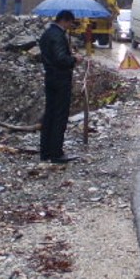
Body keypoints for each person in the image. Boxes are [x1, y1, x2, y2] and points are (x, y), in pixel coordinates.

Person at [39, 9, 79, 163]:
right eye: (70, 23)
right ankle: (56, 152)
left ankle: (46, 151)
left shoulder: (47, 34)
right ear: (64, 20)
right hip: (60, 79)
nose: (70, 26)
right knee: (59, 116)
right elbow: (61, 58)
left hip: (49, 77)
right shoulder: (58, 36)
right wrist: (74, 59)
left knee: (49, 114)